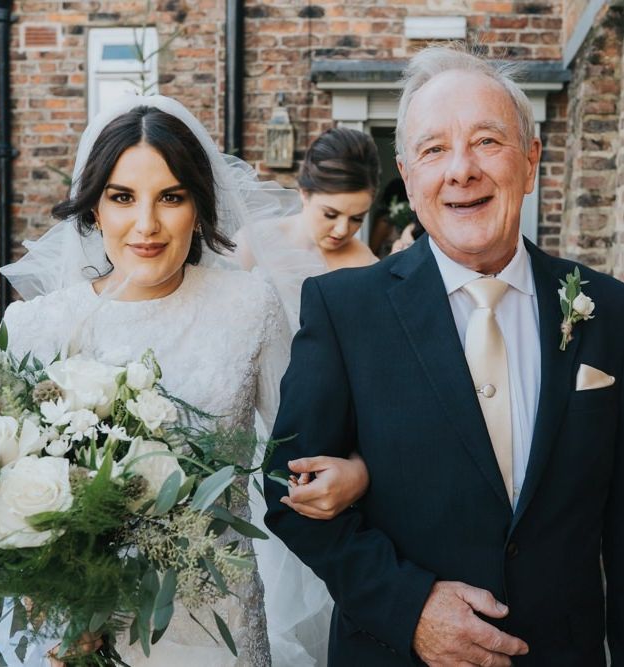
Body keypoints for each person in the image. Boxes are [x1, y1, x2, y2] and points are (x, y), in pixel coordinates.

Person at [265, 44, 624, 666]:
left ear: (532, 160)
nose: (461, 170)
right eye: (434, 150)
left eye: (487, 141)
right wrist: (411, 608)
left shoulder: (610, 311)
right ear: (407, 175)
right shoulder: (343, 308)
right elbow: (287, 491)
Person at [0, 96, 367, 667]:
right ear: (94, 211)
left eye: (171, 196)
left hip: (220, 625)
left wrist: (356, 471)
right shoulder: (37, 326)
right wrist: (47, 616)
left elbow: (305, 448)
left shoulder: (248, 307)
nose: (146, 224)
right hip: (87, 633)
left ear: (199, 204)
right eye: (122, 198)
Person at [235, 126, 379, 332]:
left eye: (357, 218)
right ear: (304, 193)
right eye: (330, 214)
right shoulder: (253, 242)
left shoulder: (366, 266)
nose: (341, 230)